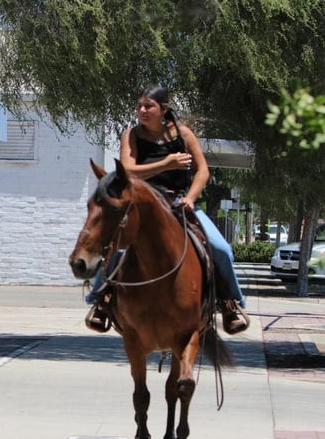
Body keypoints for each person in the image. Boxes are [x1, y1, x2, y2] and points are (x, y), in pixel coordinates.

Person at [86, 84, 250, 335]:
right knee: (117, 247)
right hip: (143, 207)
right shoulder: (131, 135)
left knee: (220, 248)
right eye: (139, 105)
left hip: (180, 202)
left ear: (163, 109)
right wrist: (167, 163)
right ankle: (102, 301)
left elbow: (203, 171)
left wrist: (192, 198)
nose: (142, 110)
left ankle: (230, 304)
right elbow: (127, 170)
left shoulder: (184, 135)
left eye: (148, 106)